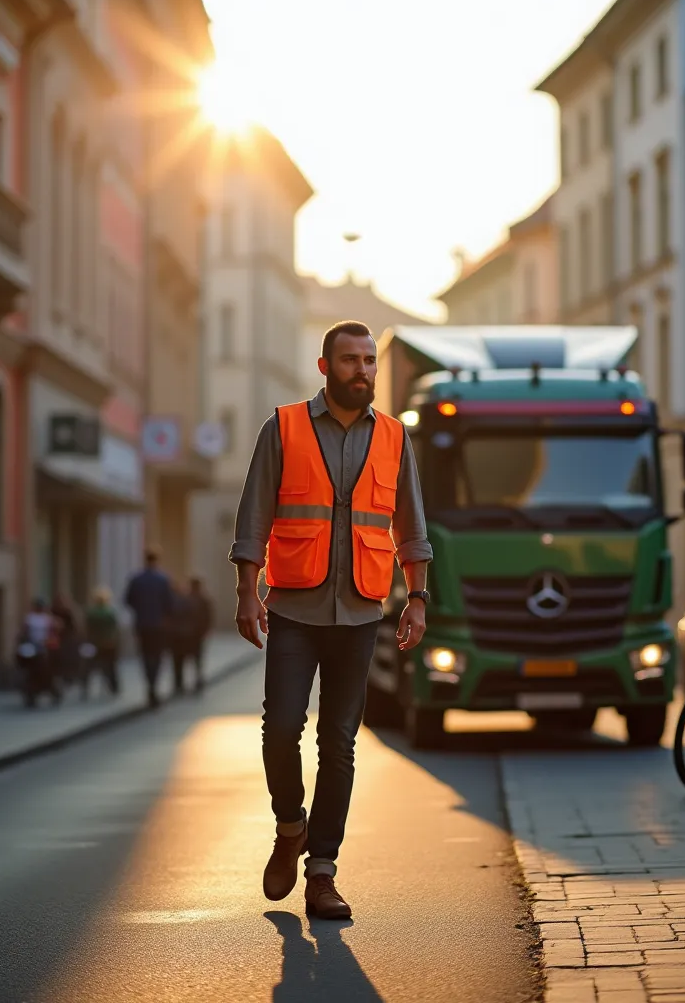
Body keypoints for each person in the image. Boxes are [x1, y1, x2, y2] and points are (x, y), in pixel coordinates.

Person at [231, 319, 433, 921]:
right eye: (350, 360)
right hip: (293, 607)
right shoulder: (285, 427)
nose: (363, 371)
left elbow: (411, 528)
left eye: (369, 361)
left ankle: (322, 873)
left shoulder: (395, 437)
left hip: (361, 614)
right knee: (280, 729)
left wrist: (418, 599)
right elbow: (253, 515)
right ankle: (289, 825)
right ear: (325, 367)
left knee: (339, 744)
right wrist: (247, 591)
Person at [124, 549, 178, 708]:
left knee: (145, 655)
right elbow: (171, 604)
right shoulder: (163, 579)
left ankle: (150, 684)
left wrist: (141, 610)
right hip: (159, 626)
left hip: (142, 624)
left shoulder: (137, 579)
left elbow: (128, 600)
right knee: (157, 656)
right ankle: (153, 685)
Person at [84, 586, 121, 697]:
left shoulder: (91, 613)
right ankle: (114, 687)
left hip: (95, 643)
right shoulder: (110, 612)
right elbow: (115, 629)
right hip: (109, 643)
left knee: (89, 667)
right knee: (111, 666)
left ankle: (86, 687)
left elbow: (87, 629)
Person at [186, 577, 213, 693]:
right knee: (197, 657)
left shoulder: (188, 599)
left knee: (194, 657)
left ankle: (196, 679)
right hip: (197, 633)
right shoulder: (203, 599)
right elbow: (209, 617)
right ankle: (198, 679)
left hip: (191, 633)